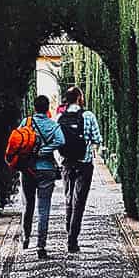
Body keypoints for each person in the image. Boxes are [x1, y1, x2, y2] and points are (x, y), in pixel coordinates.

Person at [58, 84, 102, 253]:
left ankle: (69, 229)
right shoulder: (88, 115)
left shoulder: (60, 117)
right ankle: (72, 239)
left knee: (68, 198)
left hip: (67, 163)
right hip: (84, 163)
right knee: (79, 202)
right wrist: (90, 146)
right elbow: (97, 138)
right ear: (79, 98)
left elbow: (57, 141)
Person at [19, 93, 65, 258]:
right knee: (43, 208)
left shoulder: (27, 122)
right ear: (47, 109)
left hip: (28, 169)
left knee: (28, 205)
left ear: (34, 107)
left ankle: (25, 238)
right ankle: (41, 247)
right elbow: (61, 141)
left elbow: (17, 139)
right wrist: (44, 151)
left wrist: (31, 152)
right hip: (46, 169)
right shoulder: (53, 125)